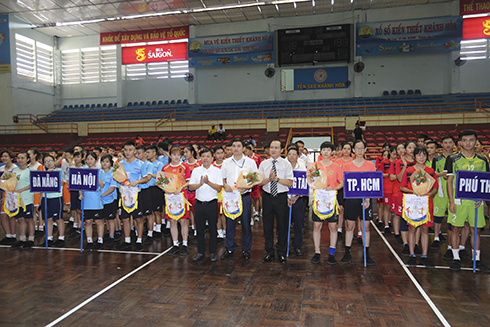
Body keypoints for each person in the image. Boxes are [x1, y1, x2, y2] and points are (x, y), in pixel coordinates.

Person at [446, 130, 490, 273]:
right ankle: (456, 258)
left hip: (475, 202)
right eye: (465, 140)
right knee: (456, 229)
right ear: (460, 143)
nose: (468, 143)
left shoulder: (483, 160)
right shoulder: (453, 159)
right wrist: (451, 201)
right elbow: (449, 181)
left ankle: (476, 259)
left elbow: (485, 181)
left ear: (476, 142)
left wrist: (482, 198)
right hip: (458, 201)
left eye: (471, 140)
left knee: (475, 230)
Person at [400, 146, 438, 268]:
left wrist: (428, 194)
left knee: (425, 230)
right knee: (412, 229)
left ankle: (424, 256)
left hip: (426, 203)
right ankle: (412, 255)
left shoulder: (430, 171)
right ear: (414, 156)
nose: (422, 157)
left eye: (424, 155)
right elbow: (402, 187)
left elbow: (435, 188)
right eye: (419, 155)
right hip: (413, 202)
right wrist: (413, 192)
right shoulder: (409, 171)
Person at [221, 138, 258, 260]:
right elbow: (223, 179)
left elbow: (255, 179)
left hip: (244, 196)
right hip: (231, 197)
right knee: (230, 223)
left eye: (238, 146)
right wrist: (225, 185)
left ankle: (246, 249)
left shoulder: (251, 162)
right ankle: (229, 248)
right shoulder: (226, 162)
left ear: (243, 148)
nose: (235, 148)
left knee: (246, 224)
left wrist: (247, 187)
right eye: (233, 146)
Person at [341, 140, 376, 265]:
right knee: (350, 226)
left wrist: (367, 199)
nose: (360, 150)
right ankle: (347, 252)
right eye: (357, 148)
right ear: (353, 150)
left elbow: (372, 183)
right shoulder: (347, 166)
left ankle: (366, 253)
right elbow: (344, 184)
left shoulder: (370, 165)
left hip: (366, 199)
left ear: (365, 150)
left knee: (366, 227)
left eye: (362, 148)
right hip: (351, 200)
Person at [259, 140, 294, 264]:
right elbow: (259, 182)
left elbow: (290, 182)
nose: (273, 149)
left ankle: (281, 252)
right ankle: (269, 252)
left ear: (282, 150)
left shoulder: (286, 164)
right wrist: (269, 179)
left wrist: (277, 179)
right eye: (271, 147)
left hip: (280, 197)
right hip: (267, 197)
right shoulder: (264, 164)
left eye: (276, 147)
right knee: (267, 227)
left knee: (282, 226)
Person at [309, 142, 344, 265]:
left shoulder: (336, 166)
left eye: (328, 150)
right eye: (324, 149)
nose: (326, 152)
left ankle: (331, 253)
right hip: (318, 199)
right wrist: (312, 183)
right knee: (316, 226)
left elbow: (342, 182)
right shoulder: (315, 165)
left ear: (332, 152)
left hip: (331, 200)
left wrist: (334, 188)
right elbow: (309, 178)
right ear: (321, 151)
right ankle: (317, 252)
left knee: (333, 227)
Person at [115, 141, 151, 252]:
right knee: (125, 219)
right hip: (124, 194)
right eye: (125, 150)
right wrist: (122, 182)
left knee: (138, 218)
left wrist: (137, 182)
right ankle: (127, 241)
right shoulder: (119, 164)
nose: (127, 152)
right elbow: (116, 177)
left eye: (130, 150)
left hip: (136, 194)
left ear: (135, 151)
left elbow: (146, 178)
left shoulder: (140, 164)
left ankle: (139, 241)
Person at [189, 147, 223, 262]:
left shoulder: (217, 171)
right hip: (199, 204)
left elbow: (219, 188)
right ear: (200, 157)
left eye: (208, 156)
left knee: (213, 229)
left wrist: (208, 183)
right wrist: (200, 183)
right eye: (203, 156)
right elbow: (191, 187)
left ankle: (213, 252)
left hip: (212, 204)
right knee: (199, 229)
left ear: (212, 158)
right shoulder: (196, 170)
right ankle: (201, 252)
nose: (205, 158)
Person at [162, 145, 191, 255]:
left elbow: (189, 181)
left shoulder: (184, 167)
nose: (177, 157)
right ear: (170, 155)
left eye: (178, 155)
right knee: (173, 221)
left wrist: (181, 187)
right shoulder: (165, 168)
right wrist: (166, 189)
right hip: (170, 197)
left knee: (183, 221)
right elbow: (162, 182)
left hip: (181, 196)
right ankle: (174, 244)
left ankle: (184, 244)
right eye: (174, 154)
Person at [431, 136, 454, 256]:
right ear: (442, 144)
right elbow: (433, 174)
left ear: (454, 144)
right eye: (446, 142)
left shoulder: (456, 158)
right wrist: (442, 174)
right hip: (440, 192)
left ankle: (451, 244)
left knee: (452, 218)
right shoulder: (437, 158)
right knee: (438, 216)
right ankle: (436, 237)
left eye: (450, 142)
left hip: (453, 192)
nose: (448, 144)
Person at [80, 152, 105, 251]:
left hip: (96, 199)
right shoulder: (83, 171)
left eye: (91, 159)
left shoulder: (100, 171)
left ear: (96, 160)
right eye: (88, 159)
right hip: (86, 199)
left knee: (98, 221)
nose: (89, 161)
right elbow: (79, 185)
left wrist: (95, 174)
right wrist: (80, 194)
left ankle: (100, 240)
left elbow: (102, 185)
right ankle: (89, 241)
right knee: (88, 221)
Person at [10, 152, 35, 249]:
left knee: (29, 219)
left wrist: (20, 190)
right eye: (18, 158)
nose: (20, 160)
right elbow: (9, 184)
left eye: (22, 158)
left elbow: (33, 184)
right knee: (20, 219)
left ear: (28, 159)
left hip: (27, 199)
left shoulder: (31, 170)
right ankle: (22, 239)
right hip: (16, 199)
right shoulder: (14, 170)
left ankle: (31, 239)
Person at [286, 145, 306, 256]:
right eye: (290, 154)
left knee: (298, 224)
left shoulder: (302, 166)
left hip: (297, 199)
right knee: (283, 224)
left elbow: (303, 184)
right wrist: (287, 198)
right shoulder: (283, 166)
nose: (292, 156)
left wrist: (296, 196)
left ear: (298, 156)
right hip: (285, 199)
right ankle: (284, 244)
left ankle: (297, 245)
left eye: (294, 154)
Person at [42, 154, 66, 247]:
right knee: (48, 219)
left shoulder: (59, 171)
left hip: (56, 197)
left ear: (54, 161)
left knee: (58, 218)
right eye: (46, 161)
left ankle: (61, 238)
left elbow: (62, 182)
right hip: (45, 197)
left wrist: (53, 174)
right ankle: (49, 238)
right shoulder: (42, 173)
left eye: (50, 161)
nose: (48, 163)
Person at [135, 145, 154, 245]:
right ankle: (138, 233)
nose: (137, 155)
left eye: (139, 153)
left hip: (146, 190)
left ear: (144, 154)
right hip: (135, 191)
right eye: (136, 153)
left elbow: (149, 177)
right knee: (137, 215)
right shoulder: (134, 164)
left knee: (148, 214)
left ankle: (150, 234)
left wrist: (138, 180)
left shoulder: (148, 164)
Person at [146, 145, 165, 240]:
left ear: (154, 153)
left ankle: (158, 229)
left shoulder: (159, 164)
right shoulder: (145, 164)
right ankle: (151, 228)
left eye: (148, 152)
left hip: (156, 188)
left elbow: (160, 176)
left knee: (157, 211)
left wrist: (150, 174)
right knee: (150, 211)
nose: (147, 154)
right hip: (147, 188)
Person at [99, 154, 118, 247]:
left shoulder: (113, 174)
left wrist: (101, 196)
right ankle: (106, 233)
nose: (104, 163)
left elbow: (112, 189)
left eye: (107, 161)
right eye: (103, 161)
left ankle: (112, 236)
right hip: (99, 201)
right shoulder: (99, 173)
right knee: (102, 219)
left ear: (110, 163)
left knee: (110, 219)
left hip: (109, 200)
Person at [0, 151, 18, 245]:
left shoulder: (15, 169)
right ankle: (8, 236)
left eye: (6, 156)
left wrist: (8, 196)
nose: (3, 158)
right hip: (2, 194)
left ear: (11, 158)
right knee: (3, 215)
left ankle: (13, 236)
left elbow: (15, 184)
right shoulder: (1, 168)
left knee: (11, 216)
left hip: (12, 194)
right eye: (2, 156)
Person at [380, 147, 397, 235]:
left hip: (395, 188)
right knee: (387, 206)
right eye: (393, 154)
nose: (394, 156)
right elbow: (380, 174)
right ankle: (386, 225)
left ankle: (389, 221)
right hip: (386, 187)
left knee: (392, 207)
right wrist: (390, 175)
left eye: (396, 154)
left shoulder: (398, 162)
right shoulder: (384, 162)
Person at [212, 145, 226, 244]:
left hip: (226, 192)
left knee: (225, 214)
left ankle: (226, 231)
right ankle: (219, 233)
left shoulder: (227, 164)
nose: (220, 155)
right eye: (218, 153)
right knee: (216, 214)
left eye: (221, 153)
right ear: (214, 155)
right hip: (215, 192)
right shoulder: (211, 165)